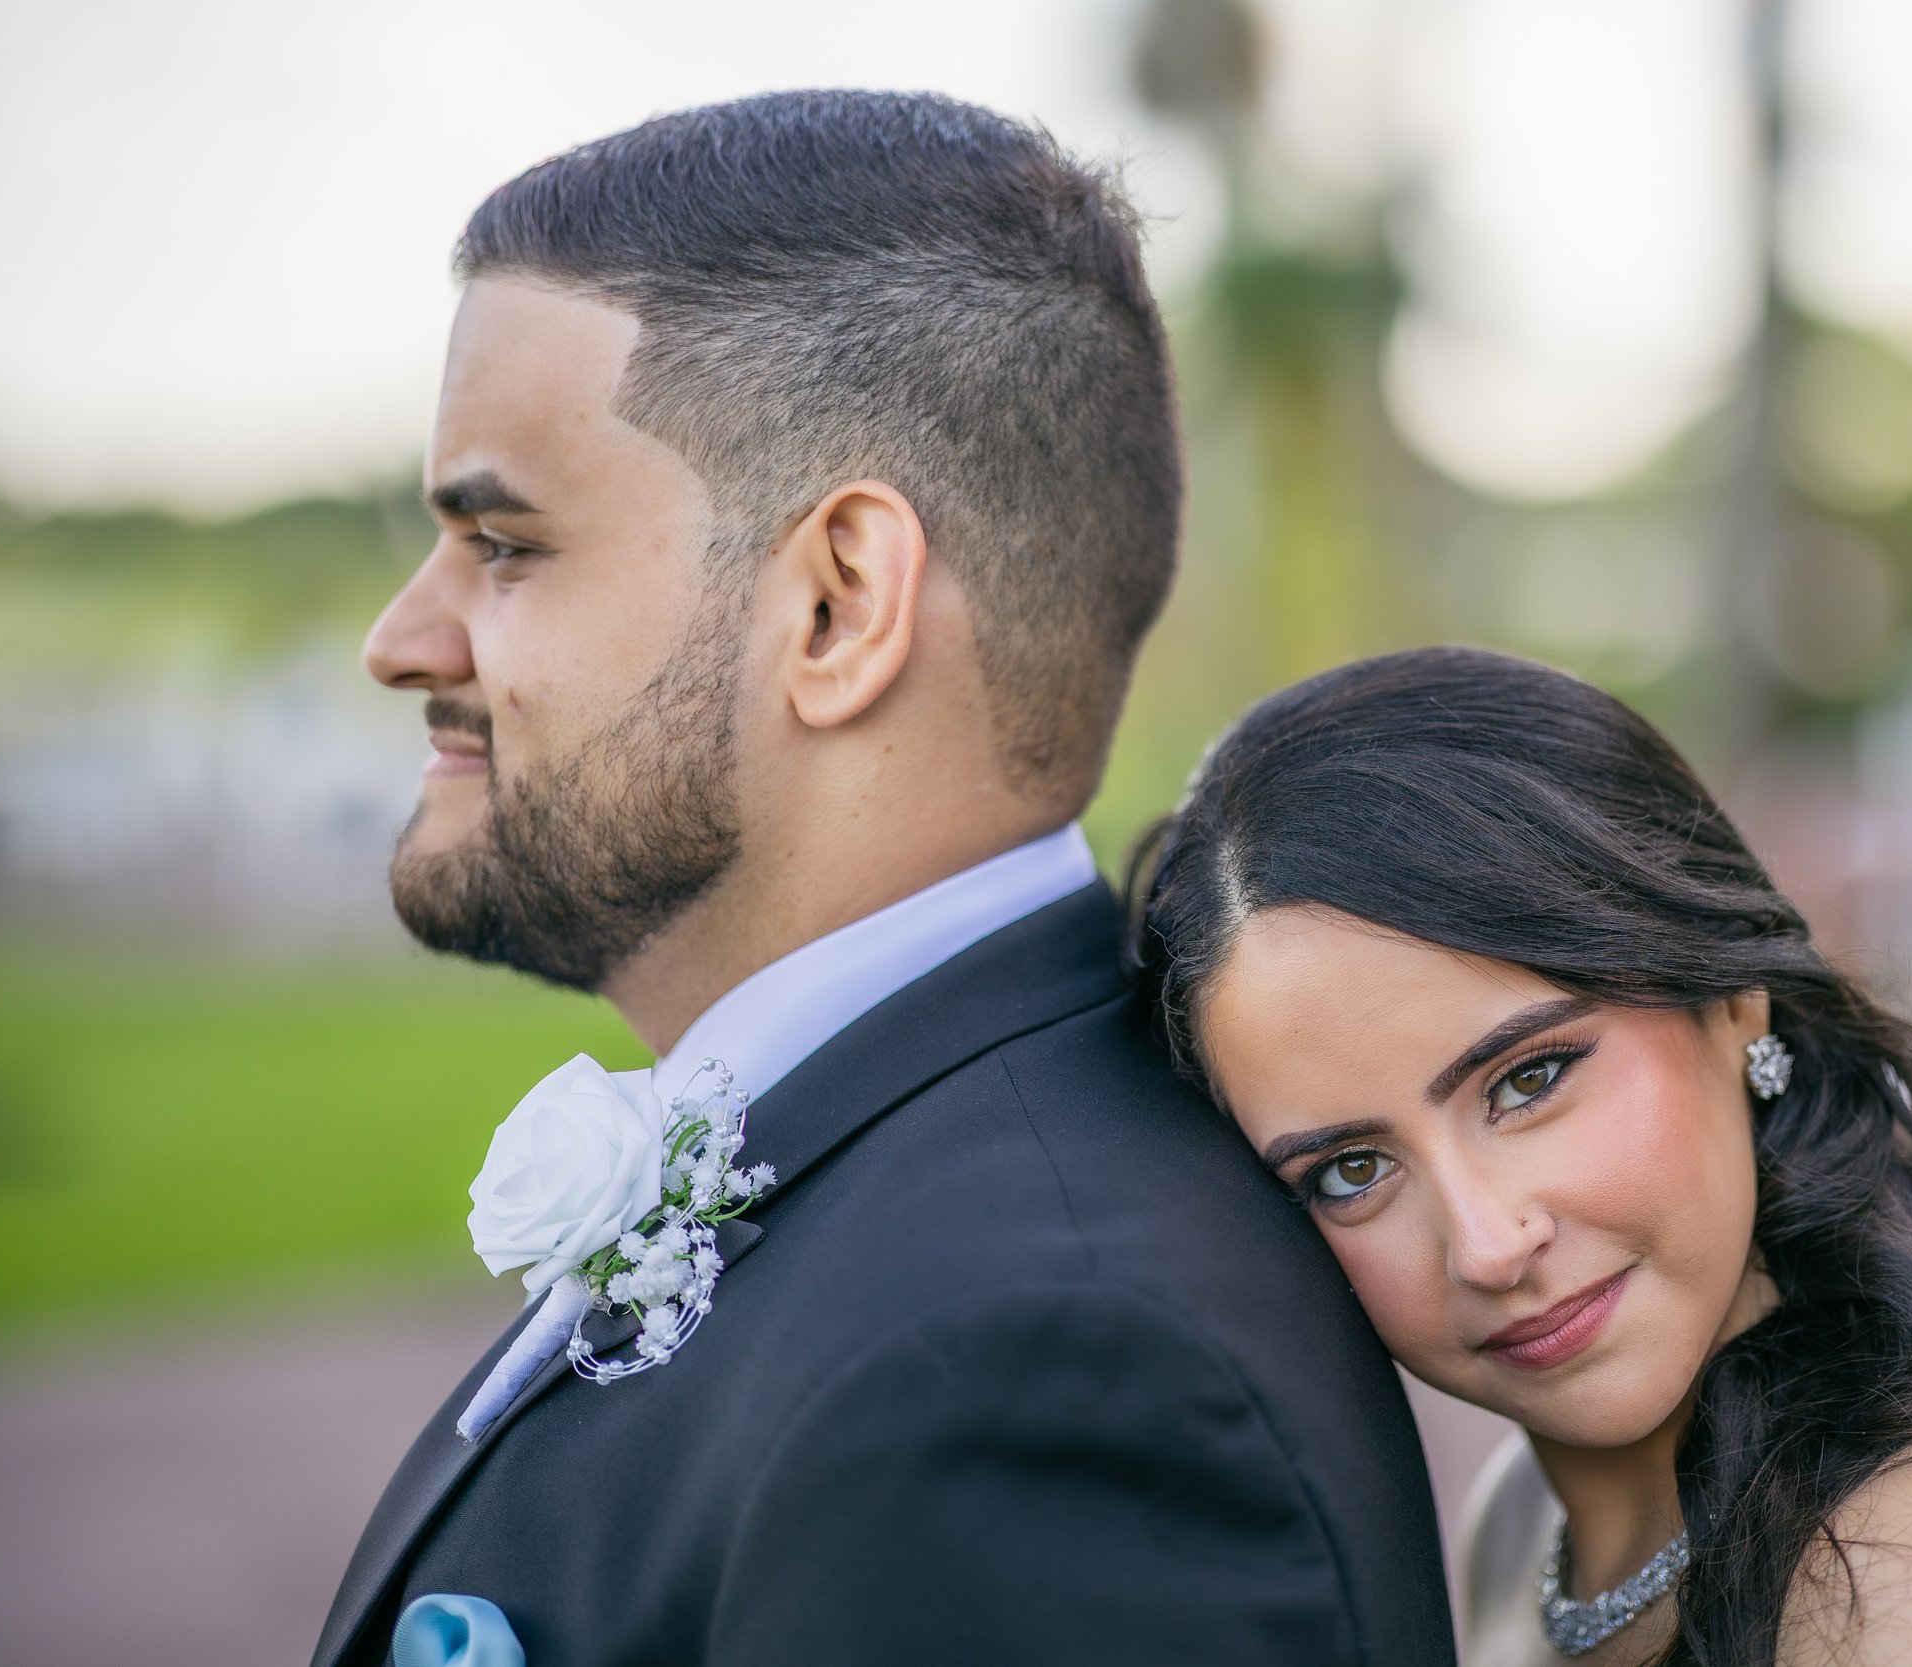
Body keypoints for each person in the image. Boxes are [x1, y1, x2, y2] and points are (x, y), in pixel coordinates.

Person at [315, 91, 1453, 1667]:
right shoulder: (927, 1200)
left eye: (503, 542)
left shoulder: (1046, 1371)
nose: (401, 639)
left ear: (841, 604)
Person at [1130, 646, 1912, 1667]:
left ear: (1731, 996)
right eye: (1351, 1171)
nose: (1488, 1243)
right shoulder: (1519, 1515)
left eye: (1527, 1079)